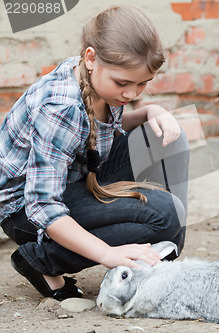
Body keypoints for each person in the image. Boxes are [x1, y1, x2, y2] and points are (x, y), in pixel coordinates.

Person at [0, 6, 188, 300]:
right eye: (123, 83)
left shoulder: (94, 78)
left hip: (77, 177)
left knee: (164, 138)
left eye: (142, 84)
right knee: (164, 215)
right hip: (28, 210)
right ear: (91, 58)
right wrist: (107, 254)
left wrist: (150, 111)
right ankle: (43, 259)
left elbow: (94, 131)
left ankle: (162, 254)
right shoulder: (60, 107)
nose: (131, 94)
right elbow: (42, 206)